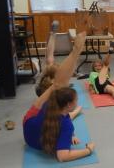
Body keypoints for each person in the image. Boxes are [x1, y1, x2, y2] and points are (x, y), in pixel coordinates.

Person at [23, 32, 96, 162]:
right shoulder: (66, 124)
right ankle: (75, 51)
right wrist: (88, 150)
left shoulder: (49, 105)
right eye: (76, 100)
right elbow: (62, 156)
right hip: (34, 135)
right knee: (61, 92)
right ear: (68, 105)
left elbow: (58, 84)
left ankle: (74, 51)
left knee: (58, 87)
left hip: (28, 129)